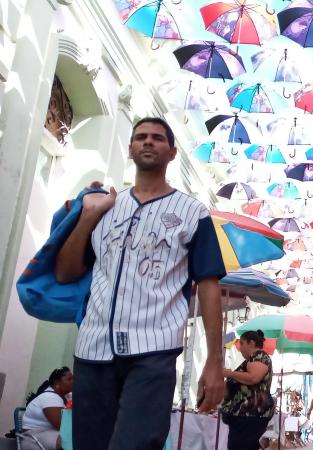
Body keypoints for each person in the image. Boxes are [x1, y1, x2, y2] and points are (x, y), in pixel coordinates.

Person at [55, 117, 227, 450]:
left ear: (172, 152)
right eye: (141, 137)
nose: (148, 142)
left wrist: (214, 362)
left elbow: (208, 286)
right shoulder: (105, 206)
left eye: (158, 138)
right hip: (92, 350)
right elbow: (66, 272)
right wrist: (88, 217)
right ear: (131, 147)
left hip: (152, 352)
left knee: (135, 443)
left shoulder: (193, 213)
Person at [221, 330, 275, 450]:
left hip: (250, 414)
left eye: (242, 343)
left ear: (251, 343)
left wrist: (229, 373)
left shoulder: (259, 356)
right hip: (245, 415)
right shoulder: (252, 359)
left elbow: (253, 378)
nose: (239, 348)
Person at [21, 367, 73, 450]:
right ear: (57, 382)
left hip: (48, 433)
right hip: (33, 437)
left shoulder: (62, 397)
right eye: (69, 379)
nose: (73, 382)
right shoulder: (50, 397)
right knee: (71, 440)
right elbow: (61, 426)